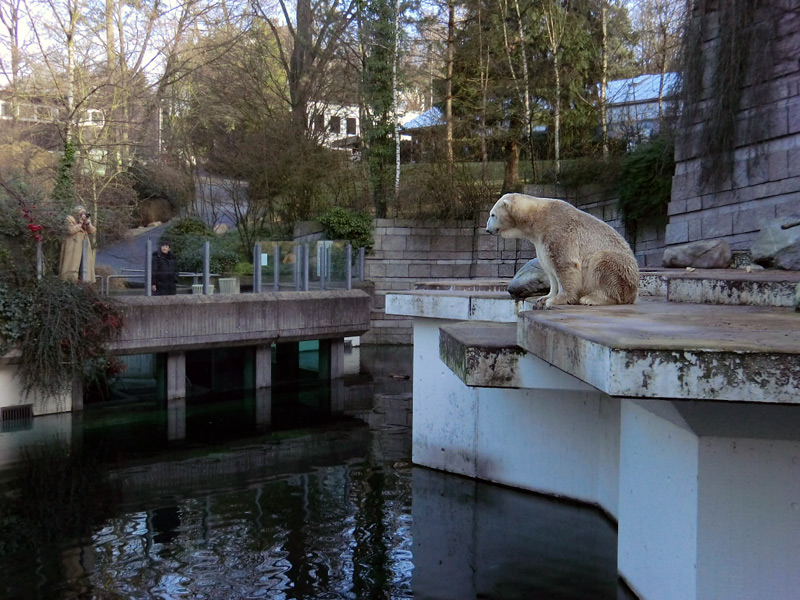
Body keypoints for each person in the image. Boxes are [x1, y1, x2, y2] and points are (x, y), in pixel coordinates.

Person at [59, 205, 96, 282]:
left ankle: (85, 282)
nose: (82, 214)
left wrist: (87, 223)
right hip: (73, 247)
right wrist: (79, 224)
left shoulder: (86, 220)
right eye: (80, 212)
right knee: (71, 266)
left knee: (85, 266)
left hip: (84, 246)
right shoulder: (69, 219)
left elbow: (92, 231)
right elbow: (69, 230)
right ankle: (69, 281)